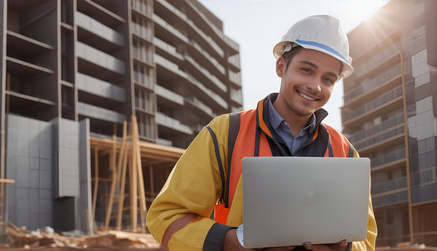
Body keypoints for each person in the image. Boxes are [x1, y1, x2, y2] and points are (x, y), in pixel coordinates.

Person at [147, 15, 377, 251]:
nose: (316, 86)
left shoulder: (345, 151)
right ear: (281, 66)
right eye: (307, 70)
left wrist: (347, 248)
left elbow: (366, 239)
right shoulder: (226, 133)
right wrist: (230, 241)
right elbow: (167, 217)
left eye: (328, 79)